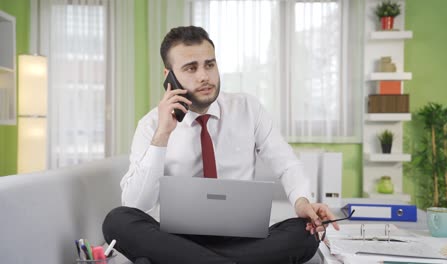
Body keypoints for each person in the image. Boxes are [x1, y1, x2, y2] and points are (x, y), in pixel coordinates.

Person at [102, 26, 339, 264]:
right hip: (178, 241)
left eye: (209, 64)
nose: (204, 76)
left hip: (243, 240)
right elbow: (136, 205)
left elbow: (286, 163)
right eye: (191, 68)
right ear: (169, 76)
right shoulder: (151, 124)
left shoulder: (248, 108)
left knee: (305, 232)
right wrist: (162, 134)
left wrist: (301, 201)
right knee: (117, 220)